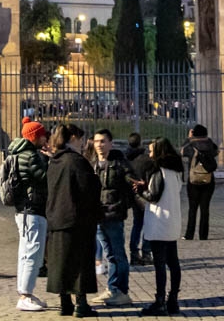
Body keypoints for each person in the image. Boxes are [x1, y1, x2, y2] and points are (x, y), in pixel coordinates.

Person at [45, 124, 100, 317]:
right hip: (77, 219)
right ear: (74, 138)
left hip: (56, 217)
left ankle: (64, 303)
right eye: (81, 139)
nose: (84, 143)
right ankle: (81, 304)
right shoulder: (76, 161)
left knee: (61, 262)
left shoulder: (55, 160)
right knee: (80, 263)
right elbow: (88, 189)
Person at [135, 137, 185, 317]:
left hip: (159, 222)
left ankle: (160, 301)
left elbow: (153, 195)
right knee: (174, 262)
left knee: (160, 264)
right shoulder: (177, 170)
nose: (149, 154)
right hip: (172, 220)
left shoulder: (158, 170)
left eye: (151, 150)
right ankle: (173, 300)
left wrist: (140, 191)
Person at [6, 120, 50, 312]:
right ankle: (25, 295)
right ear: (35, 137)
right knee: (33, 252)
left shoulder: (22, 153)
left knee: (27, 252)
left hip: (25, 210)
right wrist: (51, 159)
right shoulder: (30, 156)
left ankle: (26, 293)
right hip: (32, 208)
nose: (46, 138)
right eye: (43, 135)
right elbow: (45, 177)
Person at [91, 129, 135, 307]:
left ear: (110, 143)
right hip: (98, 215)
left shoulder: (120, 163)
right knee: (109, 255)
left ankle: (122, 291)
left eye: (102, 141)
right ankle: (112, 288)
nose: (99, 145)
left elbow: (131, 183)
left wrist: (122, 205)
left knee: (118, 254)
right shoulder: (93, 162)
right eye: (96, 141)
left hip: (114, 214)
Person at [181, 124, 218, 241]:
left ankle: (189, 234)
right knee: (205, 209)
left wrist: (189, 138)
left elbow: (182, 152)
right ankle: (203, 235)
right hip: (208, 179)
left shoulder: (191, 144)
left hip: (193, 180)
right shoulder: (210, 143)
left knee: (192, 208)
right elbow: (216, 152)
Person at [126, 132, 154, 266]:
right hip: (144, 194)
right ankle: (146, 252)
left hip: (133, 195)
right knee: (147, 225)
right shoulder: (146, 160)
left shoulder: (126, 159)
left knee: (137, 224)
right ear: (140, 142)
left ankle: (133, 253)